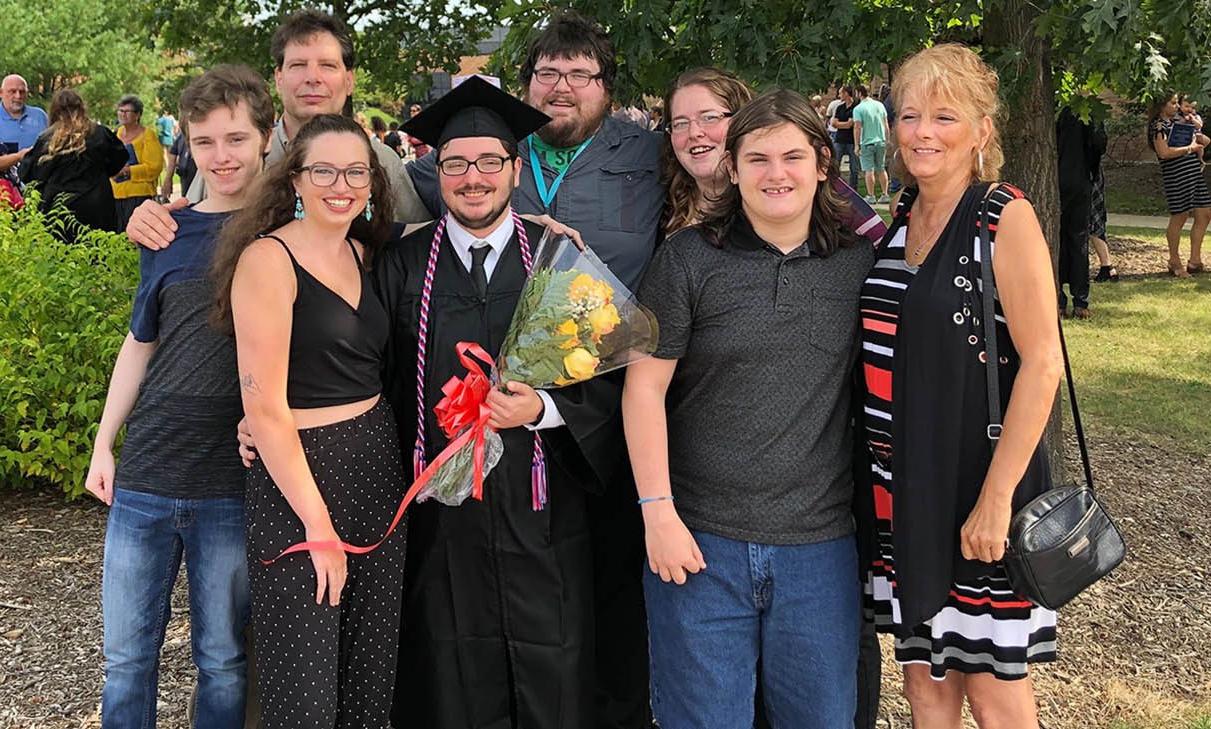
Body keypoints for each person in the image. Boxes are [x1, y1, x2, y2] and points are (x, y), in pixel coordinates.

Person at [406, 14, 663, 727]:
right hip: (467, 471)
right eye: (547, 73)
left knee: (593, 613)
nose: (561, 87)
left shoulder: (650, 157)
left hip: (584, 444)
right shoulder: (433, 217)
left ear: (606, 89)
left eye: (580, 74)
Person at [625, 88, 873, 729]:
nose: (776, 173)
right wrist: (658, 514)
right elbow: (644, 389)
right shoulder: (685, 260)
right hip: (699, 542)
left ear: (823, 164)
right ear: (731, 168)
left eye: (792, 156)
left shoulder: (857, 267)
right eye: (757, 158)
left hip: (818, 549)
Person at [859, 44, 1064, 728]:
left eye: (944, 116)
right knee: (925, 686)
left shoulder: (1002, 217)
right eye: (910, 114)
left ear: (982, 130)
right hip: (903, 491)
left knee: (994, 691)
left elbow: (1043, 363)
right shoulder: (901, 218)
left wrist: (996, 501)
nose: (921, 131)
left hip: (976, 492)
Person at [83, 64, 277, 729]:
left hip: (232, 482)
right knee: (126, 659)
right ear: (187, 147)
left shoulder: (291, 233)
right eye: (204, 142)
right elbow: (141, 341)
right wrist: (104, 443)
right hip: (146, 475)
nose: (221, 156)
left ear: (264, 138)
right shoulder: (166, 230)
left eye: (235, 138)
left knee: (222, 657)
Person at [213, 112, 403, 729]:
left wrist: (536, 222)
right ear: (294, 177)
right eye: (323, 170)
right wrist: (318, 528)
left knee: (368, 677)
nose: (340, 184)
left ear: (374, 182)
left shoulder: (367, 252)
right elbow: (264, 409)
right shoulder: (267, 261)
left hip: (377, 467)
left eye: (356, 171)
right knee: (304, 688)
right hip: (300, 481)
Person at [125, 10, 428, 248]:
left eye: (327, 65)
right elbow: (188, 223)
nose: (313, 78)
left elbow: (423, 242)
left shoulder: (382, 161)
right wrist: (149, 221)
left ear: (348, 81)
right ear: (279, 78)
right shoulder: (233, 159)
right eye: (298, 66)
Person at [17, 88, 129, 242]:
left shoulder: (47, 140)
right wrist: (101, 173)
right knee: (100, 254)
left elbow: (28, 174)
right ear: (82, 108)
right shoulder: (100, 133)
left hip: (59, 209)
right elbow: (119, 158)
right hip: (97, 204)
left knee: (61, 257)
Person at [660, 67, 751, 235]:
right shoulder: (660, 208)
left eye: (709, 117)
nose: (694, 133)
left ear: (741, 120)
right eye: (680, 123)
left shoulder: (766, 215)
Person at [1147, 91, 1210, 277]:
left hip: (1193, 173)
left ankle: (1195, 260)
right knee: (1180, 216)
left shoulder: (1179, 123)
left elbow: (1203, 140)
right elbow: (1164, 152)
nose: (1176, 106)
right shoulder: (1159, 126)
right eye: (1173, 103)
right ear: (1162, 105)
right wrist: (1189, 148)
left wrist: (1198, 136)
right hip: (1176, 175)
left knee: (1205, 213)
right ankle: (1174, 261)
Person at [1056, 107, 1093, 318]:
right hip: (1079, 179)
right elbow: (1098, 142)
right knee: (1079, 241)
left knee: (1057, 238)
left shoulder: (1051, 109)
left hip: (1056, 177)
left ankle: (1059, 300)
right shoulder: (1086, 110)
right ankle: (1080, 301)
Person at [111, 94, 165, 232]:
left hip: (138, 196)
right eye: (120, 111)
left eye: (127, 111)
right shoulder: (116, 134)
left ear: (138, 115)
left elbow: (155, 167)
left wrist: (127, 171)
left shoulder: (147, 135)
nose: (122, 114)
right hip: (115, 195)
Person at [1088, 120, 1118, 282]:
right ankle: (1107, 266)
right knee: (1096, 219)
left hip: (1087, 173)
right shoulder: (1094, 116)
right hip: (1093, 171)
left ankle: (1107, 265)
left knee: (1093, 219)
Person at [0, 74, 48, 153]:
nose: (18, 96)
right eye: (12, 91)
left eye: (22, 92)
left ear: (27, 94)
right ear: (0, 92)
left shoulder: (40, 116)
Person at [853, 83, 890, 203]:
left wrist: (856, 145)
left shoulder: (858, 109)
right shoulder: (880, 105)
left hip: (867, 142)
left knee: (869, 170)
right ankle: (885, 194)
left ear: (859, 93)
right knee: (881, 168)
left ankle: (871, 195)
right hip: (881, 141)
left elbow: (857, 127)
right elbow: (886, 124)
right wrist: (887, 139)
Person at [831, 85, 860, 194]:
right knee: (835, 164)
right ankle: (835, 187)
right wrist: (844, 124)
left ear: (846, 93)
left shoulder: (856, 107)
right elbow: (834, 123)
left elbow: (850, 124)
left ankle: (853, 189)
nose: (839, 95)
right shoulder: (840, 107)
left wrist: (841, 124)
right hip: (839, 140)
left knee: (854, 167)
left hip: (852, 140)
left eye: (840, 93)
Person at [162, 131, 198, 201]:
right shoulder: (183, 134)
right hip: (186, 176)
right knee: (186, 203)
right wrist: (168, 178)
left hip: (200, 178)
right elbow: (173, 152)